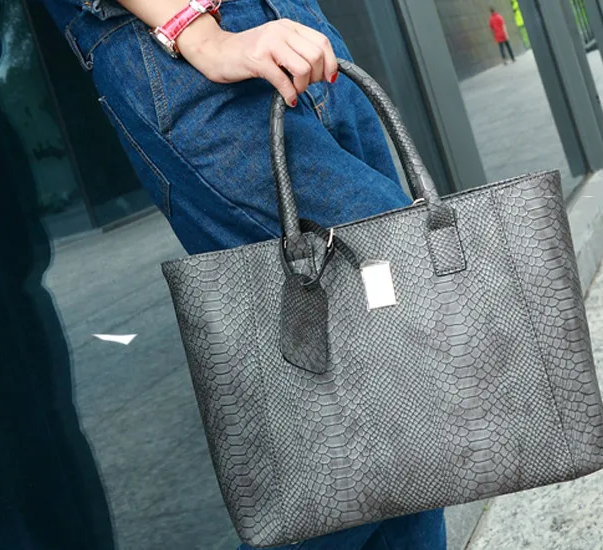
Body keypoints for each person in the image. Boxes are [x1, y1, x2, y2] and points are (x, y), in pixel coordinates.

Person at [40, 0, 447, 549]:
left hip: (295, 29)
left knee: (409, 414)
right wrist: (198, 34)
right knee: (400, 359)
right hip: (185, 54)